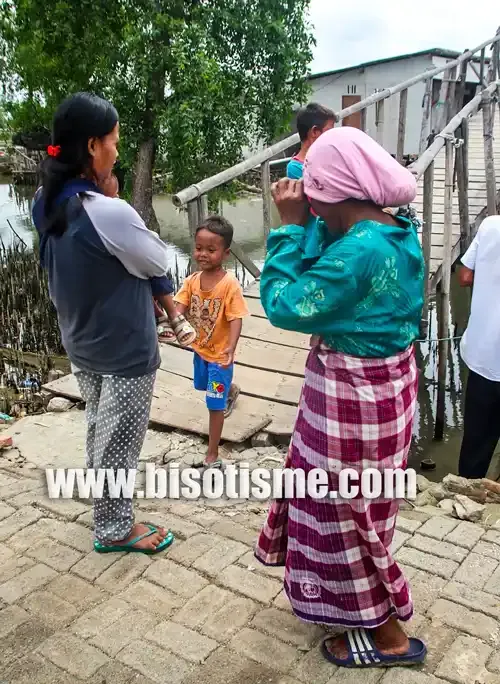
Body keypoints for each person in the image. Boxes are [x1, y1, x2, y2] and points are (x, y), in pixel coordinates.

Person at [254, 126, 427, 669]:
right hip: (387, 389)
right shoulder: (396, 230)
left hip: (351, 399)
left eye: (316, 192)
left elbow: (285, 302)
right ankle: (348, 604)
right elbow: (331, 251)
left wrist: (287, 229)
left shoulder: (358, 254)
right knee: (364, 505)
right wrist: (310, 221)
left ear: (334, 194)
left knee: (344, 513)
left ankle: (388, 634)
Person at [32, 92, 174, 554]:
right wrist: (112, 202)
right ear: (93, 147)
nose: (117, 149)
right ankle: (114, 527)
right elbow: (158, 258)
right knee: (120, 438)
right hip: (124, 350)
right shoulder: (108, 212)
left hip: (81, 342)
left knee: (98, 422)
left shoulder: (43, 200)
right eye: (113, 140)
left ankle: (104, 499)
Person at [174, 216, 249, 467]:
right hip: (201, 351)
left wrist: (231, 346)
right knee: (203, 387)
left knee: (213, 404)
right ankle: (230, 389)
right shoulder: (192, 281)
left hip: (220, 357)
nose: (202, 254)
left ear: (225, 253)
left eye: (211, 250)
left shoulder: (230, 286)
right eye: (198, 248)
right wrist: (167, 320)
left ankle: (212, 453)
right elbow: (178, 308)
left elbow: (237, 317)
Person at [99, 174, 196, 346]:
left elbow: (141, 240)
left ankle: (172, 314)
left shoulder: (121, 212)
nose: (116, 199)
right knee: (136, 275)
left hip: (135, 258)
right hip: (120, 266)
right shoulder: (97, 214)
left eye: (116, 196)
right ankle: (159, 314)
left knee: (153, 271)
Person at [458, 215, 500, 479]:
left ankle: (466, 496)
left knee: (476, 441)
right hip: (484, 357)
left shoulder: (491, 225)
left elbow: (464, 275)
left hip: (484, 356)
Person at [287, 103, 336, 263]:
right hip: (313, 245)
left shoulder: (328, 162)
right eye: (330, 131)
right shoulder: (295, 168)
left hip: (331, 241)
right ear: (314, 132)